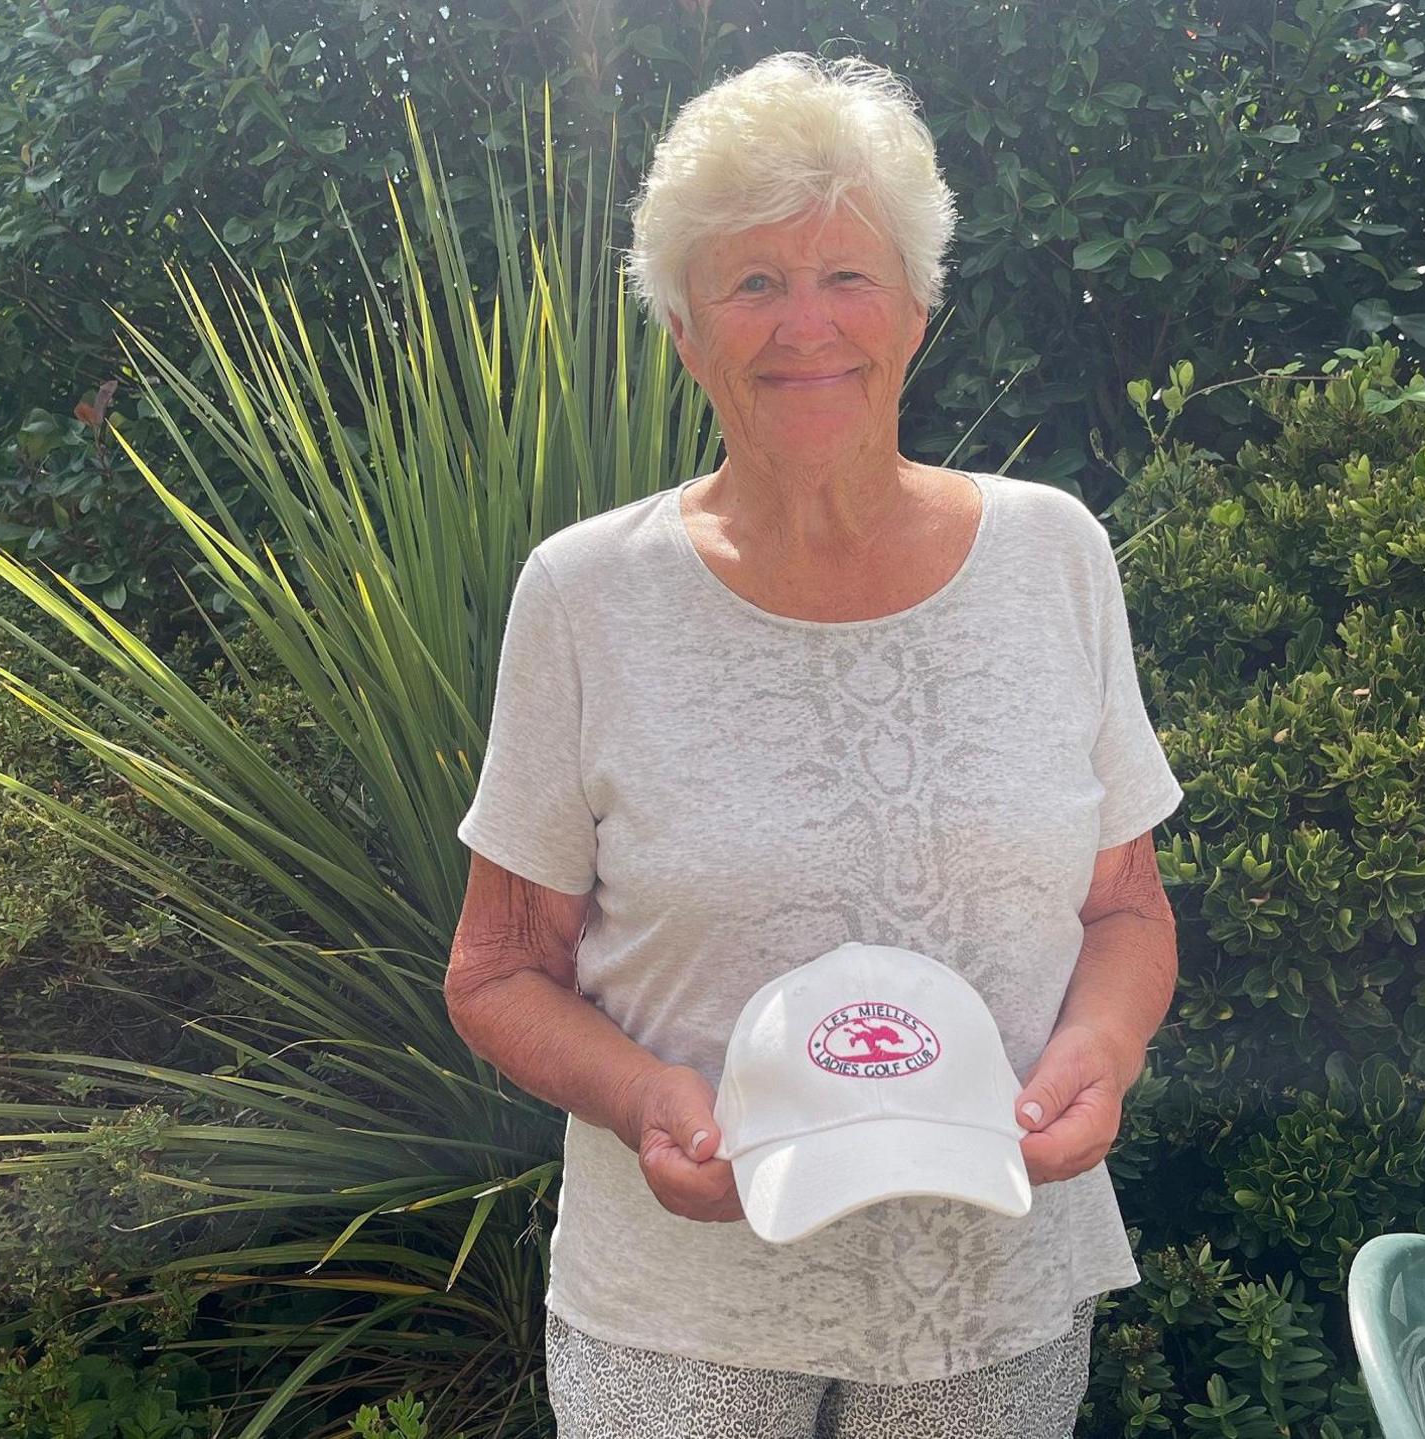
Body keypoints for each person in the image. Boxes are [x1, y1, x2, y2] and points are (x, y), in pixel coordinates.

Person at [446, 50, 1186, 1439]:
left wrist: (1106, 1043)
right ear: (686, 331)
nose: (807, 327)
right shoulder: (586, 595)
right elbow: (498, 970)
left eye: (847, 276)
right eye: (754, 284)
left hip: (990, 1289)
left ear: (915, 309)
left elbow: (1125, 904)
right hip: (687, 1309)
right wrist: (640, 1095)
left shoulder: (1056, 556)